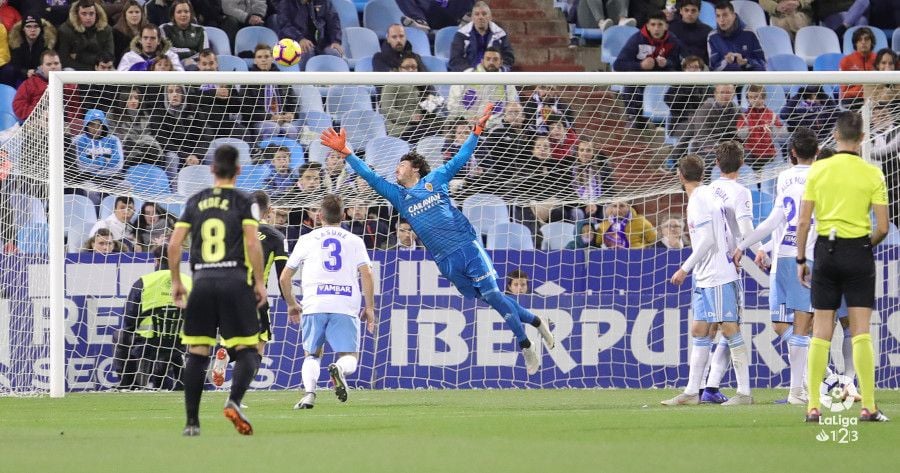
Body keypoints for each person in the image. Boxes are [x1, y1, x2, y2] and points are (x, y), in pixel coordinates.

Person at [319, 103, 555, 375]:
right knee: (494, 299)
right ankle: (537, 321)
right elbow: (370, 176)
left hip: (467, 247)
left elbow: (461, 158)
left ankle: (525, 345)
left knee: (493, 294)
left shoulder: (436, 180)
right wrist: (347, 153)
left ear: (415, 169)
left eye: (402, 164)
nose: (397, 169)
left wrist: (476, 131)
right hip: (445, 260)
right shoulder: (399, 196)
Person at [167, 144, 268, 436]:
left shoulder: (195, 200)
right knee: (248, 348)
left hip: (201, 282)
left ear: (212, 170)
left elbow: (174, 244)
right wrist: (259, 281)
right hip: (234, 280)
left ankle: (191, 423)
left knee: (197, 353)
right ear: (238, 170)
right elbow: (252, 242)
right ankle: (234, 401)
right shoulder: (243, 200)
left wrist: (176, 281)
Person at [796, 111, 890, 422]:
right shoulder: (872, 173)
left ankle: (812, 405)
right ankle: (869, 406)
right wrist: (864, 246)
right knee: (861, 330)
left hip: (825, 250)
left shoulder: (819, 170)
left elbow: (804, 221)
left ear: (835, 137)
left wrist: (801, 259)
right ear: (862, 138)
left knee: (821, 330)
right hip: (858, 250)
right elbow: (883, 227)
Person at [733, 127, 818, 405]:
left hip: (781, 258)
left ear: (791, 152)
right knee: (802, 326)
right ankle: (801, 389)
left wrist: (746, 244)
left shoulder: (784, 177)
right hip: (806, 257)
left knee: (782, 324)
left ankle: (806, 385)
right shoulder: (822, 177)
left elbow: (775, 221)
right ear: (817, 153)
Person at [662, 154, 751, 406]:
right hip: (706, 275)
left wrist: (684, 268)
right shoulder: (708, 195)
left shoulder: (700, 199)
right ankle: (692, 391)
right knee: (700, 330)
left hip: (717, 275)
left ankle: (744, 392)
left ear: (680, 176)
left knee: (729, 329)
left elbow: (708, 239)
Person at [279, 194, 377, 409]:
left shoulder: (306, 240)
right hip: (345, 304)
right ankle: (340, 369)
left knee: (312, 355)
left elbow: (284, 277)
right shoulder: (355, 240)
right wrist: (369, 308)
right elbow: (367, 274)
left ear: (319, 216)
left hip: (315, 303)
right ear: (343, 215)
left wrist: (291, 303)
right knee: (349, 355)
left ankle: (309, 395)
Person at [696, 140, 757, 404]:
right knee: (731, 327)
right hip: (727, 269)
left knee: (714, 328)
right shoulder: (741, 192)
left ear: (717, 164)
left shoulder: (707, 191)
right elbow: (745, 230)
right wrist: (760, 250)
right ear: (742, 164)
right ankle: (735, 389)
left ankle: (706, 386)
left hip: (706, 269)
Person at [209, 190, 289, 386]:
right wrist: (291, 303)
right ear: (269, 210)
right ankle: (237, 393)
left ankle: (226, 354)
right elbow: (282, 276)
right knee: (257, 347)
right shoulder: (276, 236)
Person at [114, 244, 192, 390]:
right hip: (181, 342)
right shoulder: (189, 282)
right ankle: (176, 382)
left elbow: (130, 319)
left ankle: (128, 382)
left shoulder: (144, 282)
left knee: (121, 335)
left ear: (156, 261)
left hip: (147, 342)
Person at [613, 11, 682, 128]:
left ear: (666, 26)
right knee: (630, 83)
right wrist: (640, 66)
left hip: (663, 78)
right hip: (640, 78)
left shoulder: (673, 40)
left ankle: (673, 119)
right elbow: (618, 64)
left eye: (660, 24)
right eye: (653, 24)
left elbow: (678, 65)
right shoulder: (636, 39)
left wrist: (666, 63)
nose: (656, 28)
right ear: (648, 26)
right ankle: (635, 119)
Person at [275, 0, 343, 71]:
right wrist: (299, 38)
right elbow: (284, 26)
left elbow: (334, 22)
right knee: (307, 50)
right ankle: (303, 81)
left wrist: (336, 41)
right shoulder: (286, 3)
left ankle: (333, 81)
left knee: (334, 52)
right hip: (293, 43)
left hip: (322, 43)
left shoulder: (324, 2)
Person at [449, 2, 515, 72]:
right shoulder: (461, 34)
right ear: (472, 18)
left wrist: (500, 70)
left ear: (490, 17)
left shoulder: (500, 34)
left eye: (484, 14)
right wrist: (471, 72)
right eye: (477, 14)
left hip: (494, 74)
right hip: (469, 75)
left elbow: (508, 57)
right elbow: (455, 59)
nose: (480, 17)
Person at [737, 84, 787, 171]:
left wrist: (772, 128)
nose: (753, 100)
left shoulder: (772, 115)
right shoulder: (744, 116)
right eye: (750, 97)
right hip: (751, 154)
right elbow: (741, 135)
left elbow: (783, 134)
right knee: (746, 156)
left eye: (756, 97)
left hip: (768, 153)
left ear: (763, 97)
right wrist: (748, 129)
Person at [707, 1, 765, 72]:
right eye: (718, 16)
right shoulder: (712, 37)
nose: (721, 20)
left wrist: (746, 63)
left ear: (733, 16)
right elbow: (713, 69)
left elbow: (762, 65)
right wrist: (726, 62)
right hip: (725, 81)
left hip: (748, 78)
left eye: (725, 15)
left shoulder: (750, 34)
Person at [56, 0, 114, 71]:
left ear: (97, 14)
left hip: (102, 69)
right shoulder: (65, 30)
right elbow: (64, 60)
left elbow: (109, 58)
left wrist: (79, 56)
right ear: (77, 14)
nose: (88, 18)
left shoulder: (106, 29)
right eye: (84, 14)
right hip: (76, 69)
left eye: (91, 13)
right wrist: (90, 70)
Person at [7, 13, 57, 86]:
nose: (32, 30)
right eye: (28, 26)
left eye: (36, 26)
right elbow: (14, 65)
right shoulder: (16, 43)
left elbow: (48, 65)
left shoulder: (46, 44)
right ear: (23, 29)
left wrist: (36, 72)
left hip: (41, 77)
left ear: (41, 29)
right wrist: (25, 72)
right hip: (21, 77)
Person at [12, 49, 60, 121]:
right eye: (48, 64)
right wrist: (39, 114)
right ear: (41, 67)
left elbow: (75, 109)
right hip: (35, 123)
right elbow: (18, 105)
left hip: (63, 124)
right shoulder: (30, 83)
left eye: (56, 63)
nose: (53, 67)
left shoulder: (69, 84)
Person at [160, 0, 209, 68]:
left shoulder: (200, 30)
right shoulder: (164, 28)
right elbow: (165, 51)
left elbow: (204, 54)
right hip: (170, 64)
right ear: (173, 15)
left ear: (191, 14)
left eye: (186, 12)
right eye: (179, 12)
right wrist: (189, 52)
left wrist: (190, 60)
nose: (183, 15)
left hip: (194, 64)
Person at [118, 23, 184, 71]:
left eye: (152, 38)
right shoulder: (128, 57)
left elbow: (180, 75)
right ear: (140, 40)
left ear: (159, 41)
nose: (148, 41)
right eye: (145, 38)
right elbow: (120, 79)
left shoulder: (170, 56)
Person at [839, 26, 877, 107]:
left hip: (875, 97)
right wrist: (863, 88)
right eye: (859, 40)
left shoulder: (878, 59)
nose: (863, 42)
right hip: (853, 99)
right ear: (855, 43)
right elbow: (845, 92)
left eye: (866, 39)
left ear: (871, 42)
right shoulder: (846, 61)